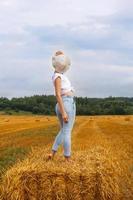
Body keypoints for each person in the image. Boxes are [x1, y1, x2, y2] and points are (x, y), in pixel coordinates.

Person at [46, 50, 76, 162]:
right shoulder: (58, 77)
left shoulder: (58, 75)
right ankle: (67, 158)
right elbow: (58, 94)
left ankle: (52, 153)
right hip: (66, 104)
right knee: (67, 132)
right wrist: (63, 112)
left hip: (62, 104)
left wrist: (59, 56)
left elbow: (61, 65)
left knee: (63, 130)